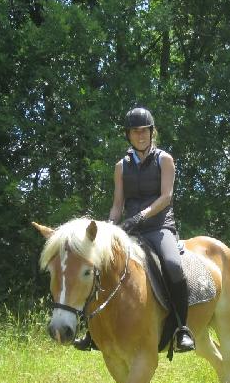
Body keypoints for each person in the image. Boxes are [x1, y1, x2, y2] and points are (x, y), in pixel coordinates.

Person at [74, 107, 195, 353]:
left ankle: (183, 328)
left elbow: (166, 197)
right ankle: (92, 331)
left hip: (160, 227)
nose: (140, 136)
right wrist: (109, 225)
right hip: (131, 230)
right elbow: (118, 204)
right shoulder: (121, 166)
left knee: (172, 267)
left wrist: (139, 216)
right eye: (135, 132)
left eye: (145, 131)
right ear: (128, 135)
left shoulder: (165, 159)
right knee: (101, 266)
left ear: (152, 133)